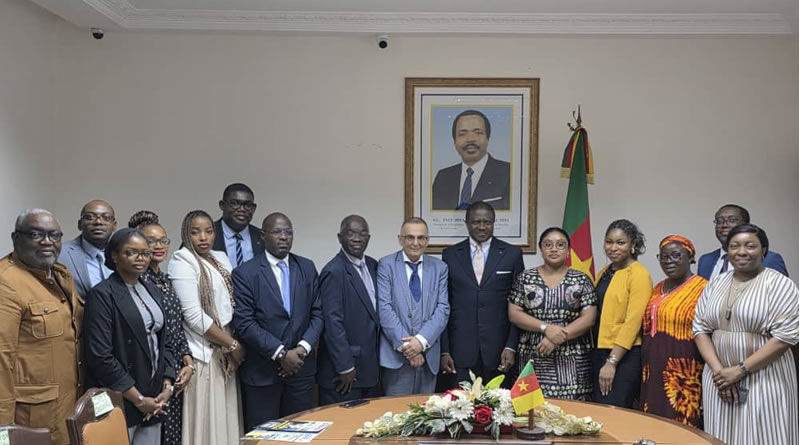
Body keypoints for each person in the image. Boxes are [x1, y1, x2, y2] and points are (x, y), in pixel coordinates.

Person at [693, 224, 798, 445]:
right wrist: (721, 373)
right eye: (735, 246)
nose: (742, 252)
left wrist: (740, 370)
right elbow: (700, 328)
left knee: (765, 436)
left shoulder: (780, 284)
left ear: (763, 250)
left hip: (765, 377)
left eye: (750, 246)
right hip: (719, 381)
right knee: (721, 436)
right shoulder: (716, 283)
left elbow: (785, 337)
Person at [84, 228, 176, 445]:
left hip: (154, 396)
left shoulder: (152, 289)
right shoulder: (102, 294)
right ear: (114, 256)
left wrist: (167, 385)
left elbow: (165, 341)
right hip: (122, 396)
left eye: (145, 253)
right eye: (131, 252)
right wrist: (139, 399)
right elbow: (100, 356)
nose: (140, 258)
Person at [232, 212, 323, 430]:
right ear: (262, 236)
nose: (284, 237)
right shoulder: (245, 273)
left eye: (288, 232)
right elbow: (245, 323)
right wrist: (281, 354)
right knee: (264, 437)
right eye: (277, 232)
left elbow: (318, 313)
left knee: (300, 434)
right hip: (262, 373)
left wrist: (301, 349)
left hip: (301, 370)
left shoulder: (307, 267)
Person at [0, 209, 83, 445]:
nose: (47, 242)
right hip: (32, 418)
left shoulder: (60, 275)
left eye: (54, 235)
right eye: (36, 235)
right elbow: (2, 358)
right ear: (16, 238)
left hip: (69, 408)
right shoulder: (6, 282)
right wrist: (4, 430)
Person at [168, 210, 243, 445]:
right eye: (195, 232)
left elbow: (230, 304)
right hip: (204, 350)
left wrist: (231, 345)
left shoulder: (219, 257)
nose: (203, 237)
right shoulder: (182, 260)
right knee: (207, 420)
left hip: (225, 346)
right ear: (185, 234)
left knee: (226, 416)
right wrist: (232, 345)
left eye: (209, 231)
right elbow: (193, 316)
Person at [440, 201, 524, 388]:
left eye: (487, 222)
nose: (481, 227)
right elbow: (444, 305)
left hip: (500, 351)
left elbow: (519, 304)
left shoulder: (512, 254)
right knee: (460, 404)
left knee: (499, 405)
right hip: (460, 351)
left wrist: (511, 345)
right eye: (476, 222)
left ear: (494, 222)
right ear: (466, 223)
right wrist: (444, 350)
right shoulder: (450, 255)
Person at [508, 227, 597, 400]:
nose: (554, 249)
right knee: (532, 410)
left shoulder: (581, 279)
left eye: (560, 245)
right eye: (548, 245)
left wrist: (558, 337)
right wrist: (546, 328)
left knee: (572, 412)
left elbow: (589, 318)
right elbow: (514, 313)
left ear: (568, 250)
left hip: (573, 362)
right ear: (541, 249)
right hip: (533, 358)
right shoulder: (525, 278)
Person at [129, 211, 194, 445]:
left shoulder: (166, 281)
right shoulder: (138, 282)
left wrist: (188, 361)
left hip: (175, 371)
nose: (158, 246)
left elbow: (177, 325)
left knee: (172, 435)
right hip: (152, 373)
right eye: (151, 241)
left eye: (163, 240)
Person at [377, 217, 450, 395]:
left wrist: (421, 342)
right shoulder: (386, 265)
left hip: (428, 357)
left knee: (426, 410)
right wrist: (410, 349)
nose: (415, 243)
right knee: (395, 411)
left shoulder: (440, 268)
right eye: (410, 237)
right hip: (396, 358)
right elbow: (384, 309)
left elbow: (443, 309)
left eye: (421, 238)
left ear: (427, 240)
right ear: (400, 239)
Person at [640, 235, 707, 428]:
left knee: (683, 422)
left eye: (676, 255)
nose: (669, 261)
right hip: (653, 366)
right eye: (663, 257)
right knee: (653, 421)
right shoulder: (658, 288)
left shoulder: (703, 288)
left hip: (685, 371)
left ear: (691, 257)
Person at [318, 215, 381, 405]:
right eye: (351, 233)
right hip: (345, 374)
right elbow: (332, 324)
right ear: (340, 237)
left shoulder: (373, 265)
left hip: (371, 368)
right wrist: (345, 366)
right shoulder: (333, 271)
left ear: (368, 238)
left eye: (362, 234)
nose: (357, 238)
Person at [591, 219, 652, 407]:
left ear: (633, 244)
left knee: (613, 411)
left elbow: (633, 323)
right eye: (609, 242)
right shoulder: (605, 271)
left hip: (622, 356)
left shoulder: (638, 274)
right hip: (599, 351)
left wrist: (612, 362)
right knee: (598, 411)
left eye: (620, 242)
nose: (613, 248)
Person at [432, 110, 511, 210]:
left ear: (488, 138)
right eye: (462, 134)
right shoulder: (443, 177)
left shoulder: (508, 172)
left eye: (478, 132)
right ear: (454, 141)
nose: (470, 139)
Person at [697, 204, 788, 281]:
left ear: (746, 225)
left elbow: (782, 294)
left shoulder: (769, 259)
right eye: (719, 221)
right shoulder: (705, 261)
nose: (724, 225)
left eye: (732, 220)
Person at [59, 200, 117, 297]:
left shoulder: (123, 254)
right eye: (90, 217)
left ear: (114, 225)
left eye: (106, 218)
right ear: (79, 224)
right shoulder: (60, 254)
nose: (98, 222)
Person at [212, 183, 264, 268]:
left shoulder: (263, 238)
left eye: (248, 205)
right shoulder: (206, 234)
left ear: (254, 208)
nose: (242, 209)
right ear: (222, 205)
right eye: (235, 204)